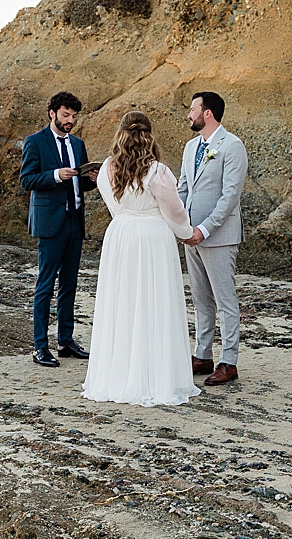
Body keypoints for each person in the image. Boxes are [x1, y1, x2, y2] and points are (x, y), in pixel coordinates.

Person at [83, 111, 199, 406]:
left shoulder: (107, 168)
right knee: (153, 304)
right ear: (150, 134)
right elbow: (174, 211)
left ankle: (118, 376)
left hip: (120, 236)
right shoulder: (157, 171)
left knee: (122, 305)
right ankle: (153, 377)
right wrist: (187, 233)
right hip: (151, 238)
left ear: (120, 133)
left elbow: (112, 205)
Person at [19, 91, 98, 368]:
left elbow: (82, 185)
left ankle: (65, 340)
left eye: (74, 116)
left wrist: (93, 179)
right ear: (52, 113)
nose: (70, 121)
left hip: (75, 221)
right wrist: (55, 175)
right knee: (45, 285)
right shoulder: (35, 142)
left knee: (69, 284)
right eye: (66, 115)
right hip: (50, 222)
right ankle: (40, 347)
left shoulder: (78, 143)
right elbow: (27, 180)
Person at [178, 91, 248, 386]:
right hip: (190, 234)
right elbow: (183, 188)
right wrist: (180, 225)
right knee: (200, 298)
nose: (189, 114)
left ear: (207, 113)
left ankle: (228, 362)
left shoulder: (232, 146)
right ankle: (202, 355)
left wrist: (204, 229)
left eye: (193, 109)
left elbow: (230, 195)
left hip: (217, 236)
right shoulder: (191, 146)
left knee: (225, 300)